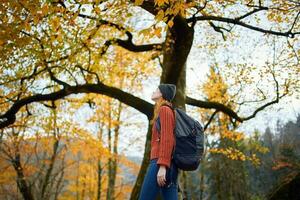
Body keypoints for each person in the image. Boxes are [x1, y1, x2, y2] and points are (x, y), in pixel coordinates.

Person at [138, 83, 179, 200]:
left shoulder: (165, 110)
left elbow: (167, 139)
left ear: (162, 94)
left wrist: (162, 166)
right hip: (167, 163)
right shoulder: (164, 110)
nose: (153, 91)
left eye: (156, 89)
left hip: (160, 162)